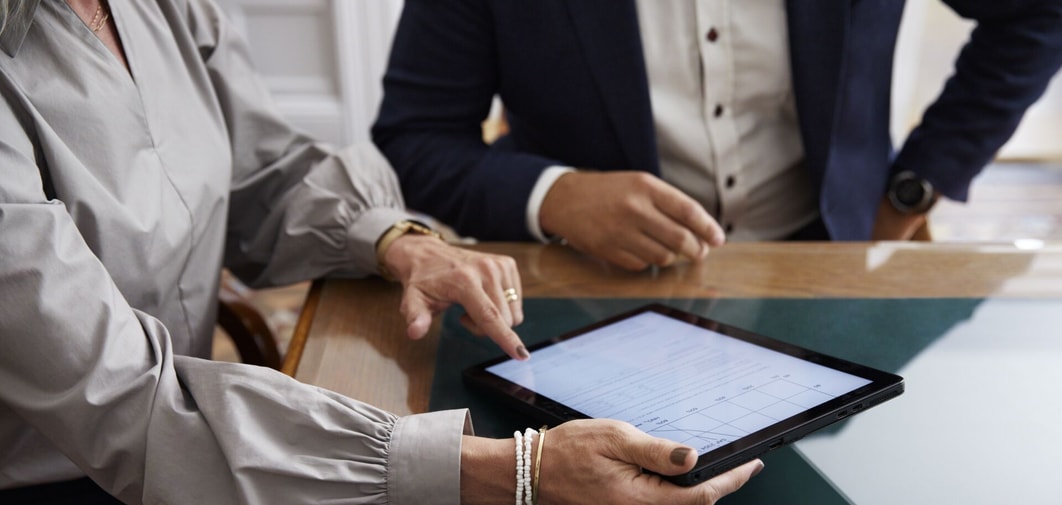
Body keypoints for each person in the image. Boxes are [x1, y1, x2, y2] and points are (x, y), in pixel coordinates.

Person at [0, 1, 763, 505]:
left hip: (198, 466)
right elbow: (133, 405)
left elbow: (266, 172)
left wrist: (398, 240)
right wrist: (521, 471)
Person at [372, 0, 1062, 271]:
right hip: (590, 285)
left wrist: (912, 191)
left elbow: (1036, 15)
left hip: (831, 267)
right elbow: (417, 137)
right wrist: (556, 196)